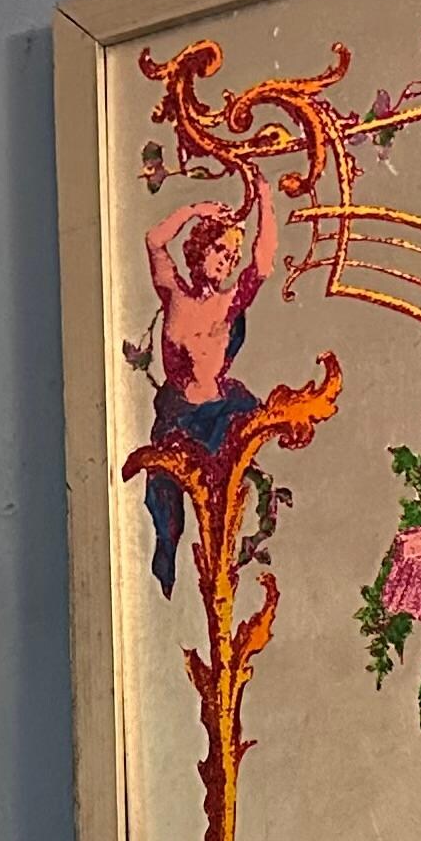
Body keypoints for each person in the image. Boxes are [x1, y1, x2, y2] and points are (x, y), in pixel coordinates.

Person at [139, 179, 282, 595]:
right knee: (165, 508)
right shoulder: (173, 294)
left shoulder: (228, 303)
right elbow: (154, 240)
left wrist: (265, 197)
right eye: (220, 250)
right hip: (178, 418)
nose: (226, 261)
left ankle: (222, 577)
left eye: (231, 256)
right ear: (200, 248)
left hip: (218, 418)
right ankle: (167, 566)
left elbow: (263, 262)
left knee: (222, 516)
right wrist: (195, 210)